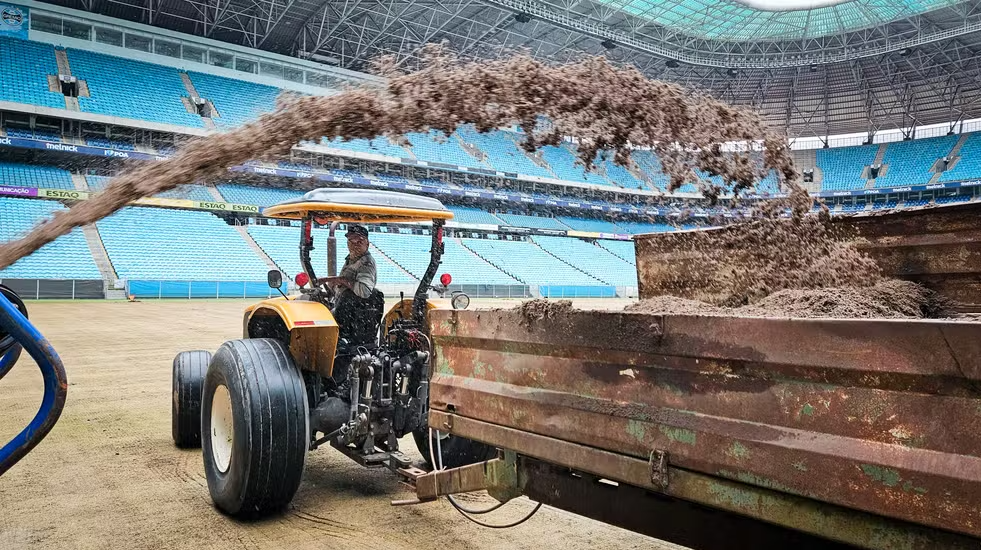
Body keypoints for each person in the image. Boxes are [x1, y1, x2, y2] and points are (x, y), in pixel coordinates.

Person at [326, 224, 380, 344]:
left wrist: (341, 280)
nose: (354, 245)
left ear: (367, 244)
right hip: (343, 308)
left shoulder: (366, 263)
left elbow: (364, 291)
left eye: (359, 241)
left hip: (352, 317)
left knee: (319, 320)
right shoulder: (351, 259)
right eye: (351, 241)